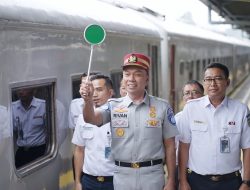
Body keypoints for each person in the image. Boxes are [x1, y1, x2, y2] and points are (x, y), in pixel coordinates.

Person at [80, 52, 179, 190]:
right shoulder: (113, 105)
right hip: (123, 176)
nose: (131, 79)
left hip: (152, 175)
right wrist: (88, 100)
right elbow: (91, 118)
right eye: (127, 74)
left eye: (137, 74)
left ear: (147, 79)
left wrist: (171, 180)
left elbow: (170, 146)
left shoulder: (162, 107)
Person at [178, 63, 250, 190]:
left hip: (231, 182)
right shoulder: (191, 108)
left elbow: (247, 148)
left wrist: (246, 182)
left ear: (227, 82)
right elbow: (184, 146)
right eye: (208, 79)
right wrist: (183, 180)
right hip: (197, 181)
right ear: (204, 82)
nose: (213, 83)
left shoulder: (241, 110)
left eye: (218, 78)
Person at [72, 74, 115, 190]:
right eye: (92, 90)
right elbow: (79, 150)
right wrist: (77, 181)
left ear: (111, 93)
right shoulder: (83, 118)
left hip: (115, 180)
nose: (94, 94)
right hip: (89, 181)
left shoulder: (119, 114)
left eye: (99, 90)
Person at [175, 80, 204, 190]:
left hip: (201, 172)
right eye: (187, 93)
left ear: (203, 96)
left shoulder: (211, 117)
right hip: (181, 169)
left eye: (195, 92)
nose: (190, 96)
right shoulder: (177, 119)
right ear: (183, 98)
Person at [12, 88, 46, 168]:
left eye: (24, 89)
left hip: (39, 150)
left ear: (34, 91)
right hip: (21, 151)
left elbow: (50, 130)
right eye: (19, 89)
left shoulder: (42, 106)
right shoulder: (13, 108)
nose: (20, 92)